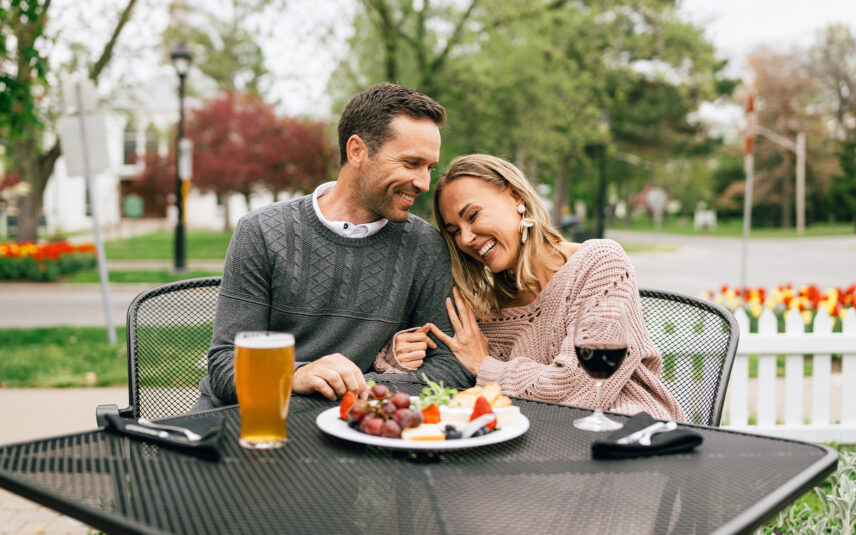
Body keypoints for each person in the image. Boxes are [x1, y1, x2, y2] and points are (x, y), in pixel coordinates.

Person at [193, 83, 474, 410]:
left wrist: (363, 385)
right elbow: (226, 365)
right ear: (357, 151)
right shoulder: (261, 231)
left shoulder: (425, 247)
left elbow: (451, 368)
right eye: (411, 163)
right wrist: (297, 375)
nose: (425, 183)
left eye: (429, 168)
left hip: (352, 428)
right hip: (253, 419)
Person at [375, 154, 684, 421]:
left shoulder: (600, 264)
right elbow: (447, 379)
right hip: (543, 450)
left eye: (473, 215)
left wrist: (486, 367)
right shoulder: (484, 307)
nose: (466, 238)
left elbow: (582, 386)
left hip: (630, 439)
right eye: (455, 230)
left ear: (516, 198)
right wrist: (397, 357)